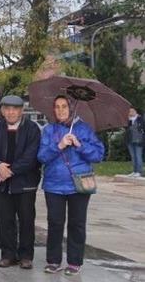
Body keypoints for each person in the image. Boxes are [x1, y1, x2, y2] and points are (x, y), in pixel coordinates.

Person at [38, 95, 105, 276]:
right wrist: (58, 146)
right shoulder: (49, 130)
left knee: (77, 224)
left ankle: (75, 261)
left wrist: (79, 144)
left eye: (64, 106)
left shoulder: (84, 129)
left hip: (79, 184)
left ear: (70, 108)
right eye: (57, 107)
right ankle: (53, 260)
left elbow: (98, 155)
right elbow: (41, 156)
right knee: (55, 223)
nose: (60, 110)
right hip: (54, 185)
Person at [0, 95, 41, 269]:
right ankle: (8, 254)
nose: (11, 112)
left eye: (15, 109)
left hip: (25, 183)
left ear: (21, 110)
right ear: (1, 111)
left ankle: (26, 255)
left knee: (26, 219)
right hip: (0, 183)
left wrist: (9, 171)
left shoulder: (32, 129)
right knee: (4, 219)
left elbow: (31, 157)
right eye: (7, 109)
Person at [126, 107, 143, 177]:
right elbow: (127, 130)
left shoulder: (140, 119)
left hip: (139, 140)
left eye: (132, 111)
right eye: (130, 111)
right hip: (130, 140)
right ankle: (134, 171)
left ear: (136, 111)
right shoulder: (129, 120)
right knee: (133, 156)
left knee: (138, 156)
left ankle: (139, 171)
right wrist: (129, 120)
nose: (131, 112)